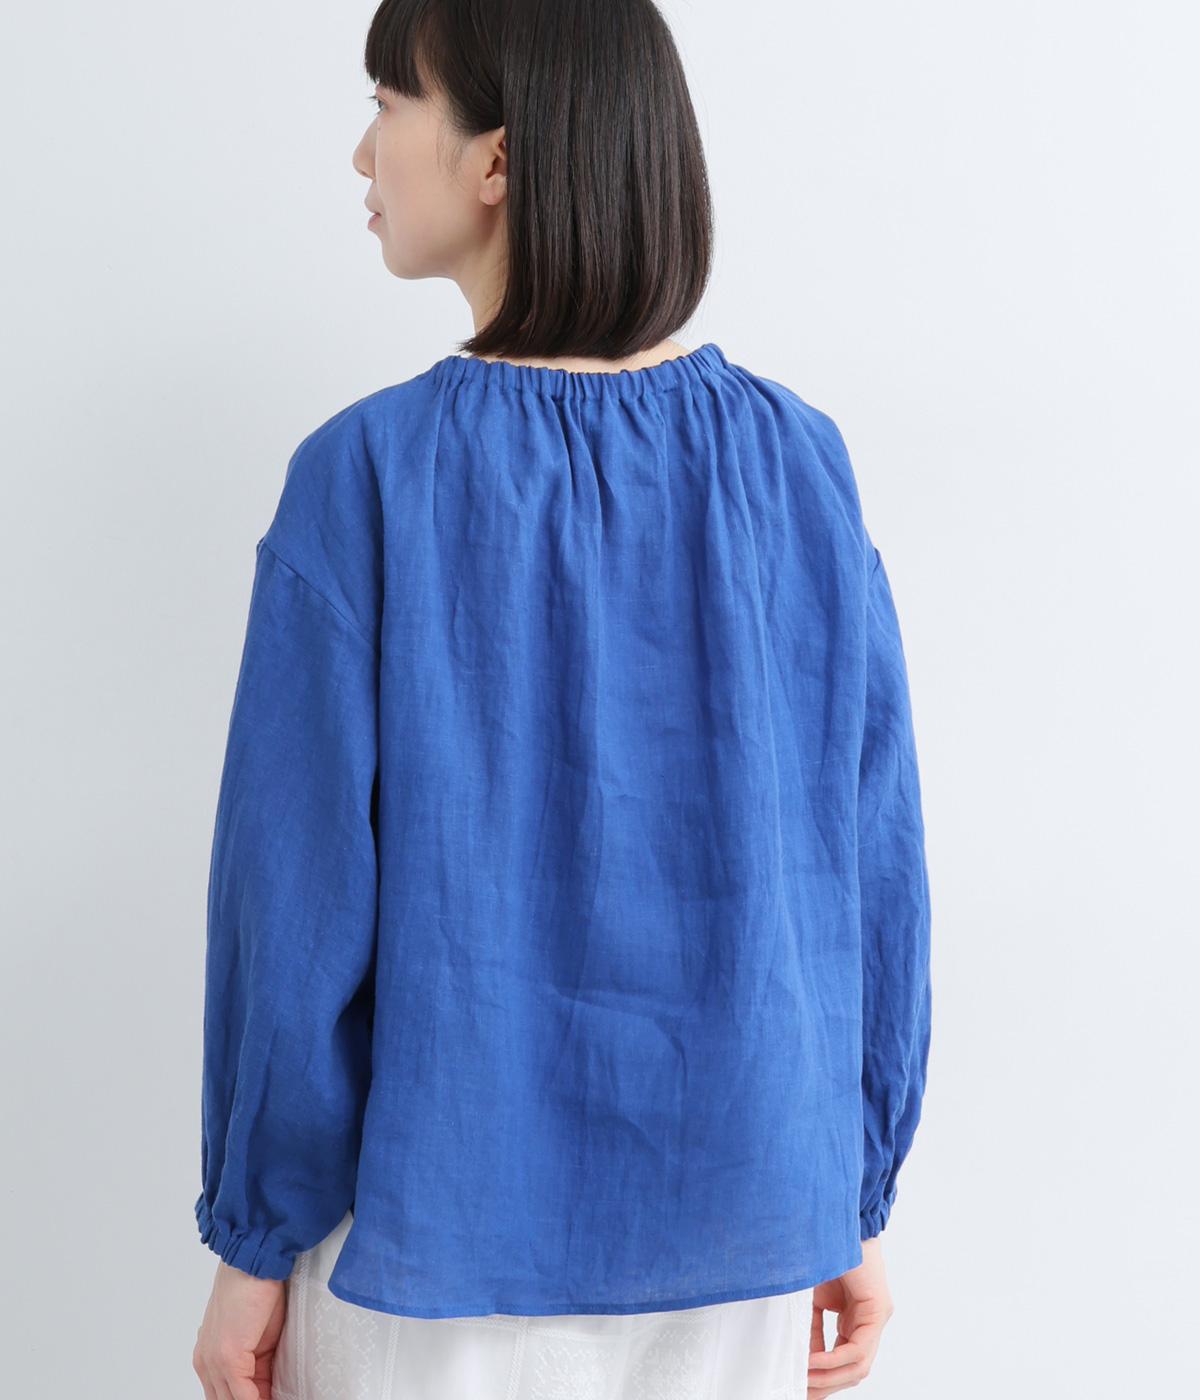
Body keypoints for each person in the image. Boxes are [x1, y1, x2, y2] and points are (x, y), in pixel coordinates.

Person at [190, 1, 933, 1397]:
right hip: (747, 1229)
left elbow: (294, 910)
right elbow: (867, 870)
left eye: (388, 105)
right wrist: (854, 1191)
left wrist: (252, 1242)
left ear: (497, 160)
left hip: (428, 1248)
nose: (361, 153)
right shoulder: (799, 470)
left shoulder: (367, 480)